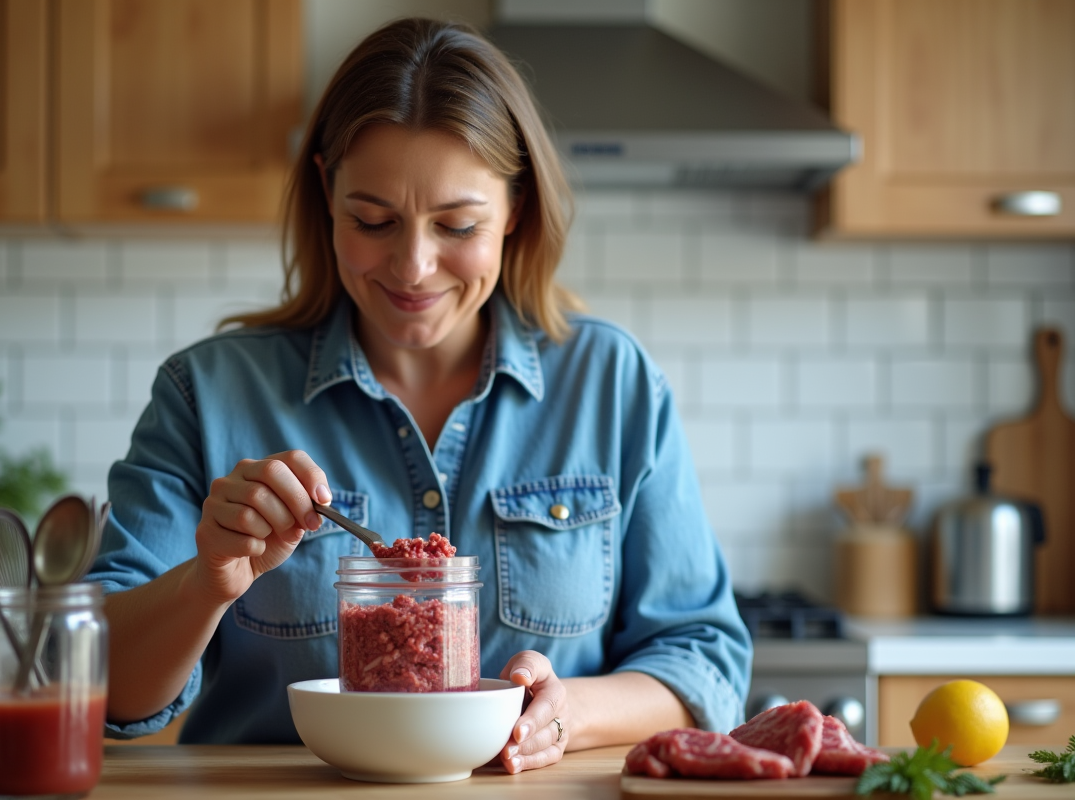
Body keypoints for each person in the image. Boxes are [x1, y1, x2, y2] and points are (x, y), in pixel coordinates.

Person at [89, 17, 751, 773]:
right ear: (326, 197)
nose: (413, 266)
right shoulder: (207, 394)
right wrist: (205, 584)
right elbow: (105, 690)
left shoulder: (612, 383)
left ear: (517, 212)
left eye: (457, 225)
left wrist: (572, 712)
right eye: (373, 221)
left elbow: (705, 659)